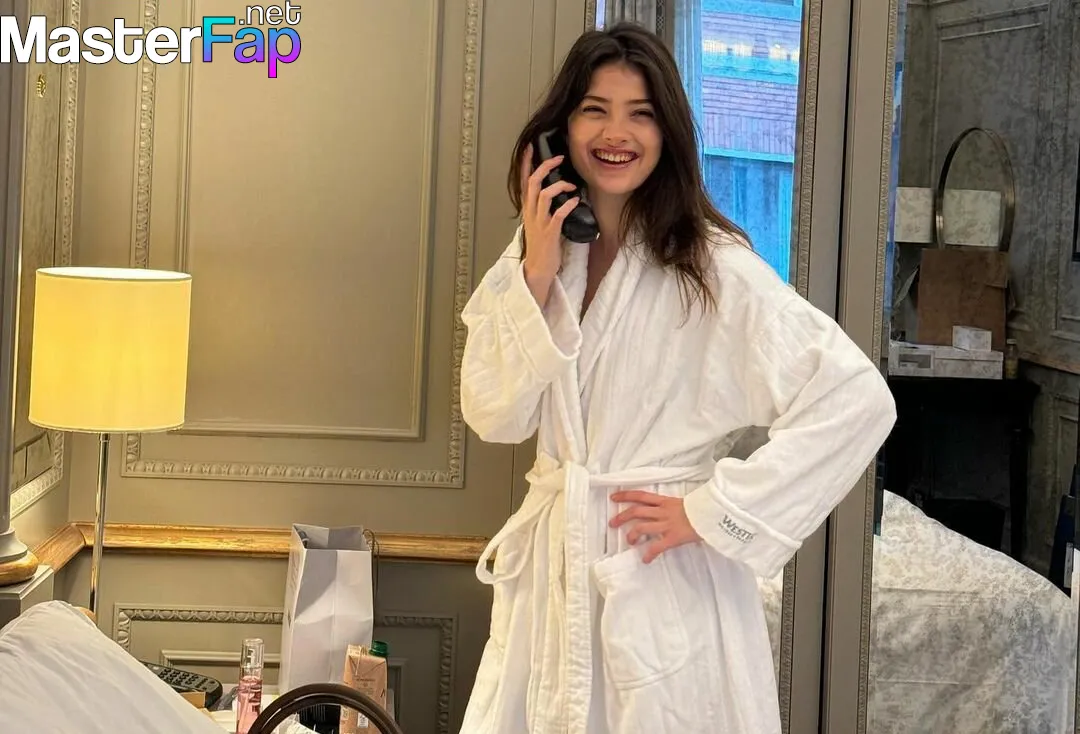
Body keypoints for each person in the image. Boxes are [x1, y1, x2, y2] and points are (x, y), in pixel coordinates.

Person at [457, 22, 896, 734]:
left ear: (668, 133)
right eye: (594, 110)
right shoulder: (536, 257)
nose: (616, 133)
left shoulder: (711, 268)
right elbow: (494, 414)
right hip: (552, 582)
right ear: (561, 131)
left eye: (641, 113)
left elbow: (857, 399)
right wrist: (535, 271)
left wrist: (711, 510)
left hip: (659, 583)